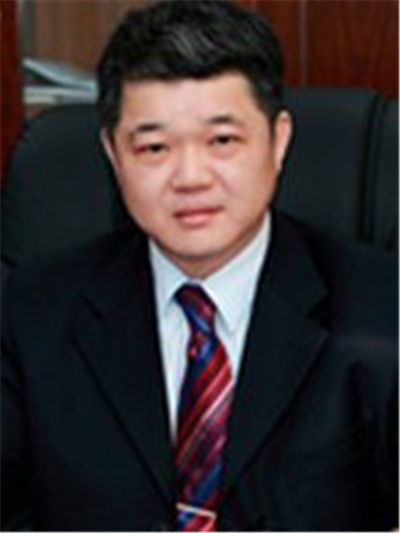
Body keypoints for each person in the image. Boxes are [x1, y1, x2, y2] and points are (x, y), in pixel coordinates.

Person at [2, 1, 397, 531]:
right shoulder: (29, 316)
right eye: (154, 147)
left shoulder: (385, 310)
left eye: (222, 141)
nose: (190, 177)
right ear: (113, 155)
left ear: (278, 140)